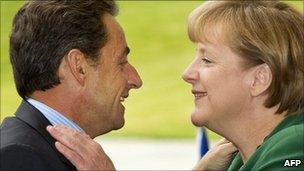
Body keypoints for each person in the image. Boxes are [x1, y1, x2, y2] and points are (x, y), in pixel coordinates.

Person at [46, 0, 304, 170]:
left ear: (259, 79)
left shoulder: (292, 151)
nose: (187, 73)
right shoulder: (240, 158)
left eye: (207, 59)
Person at [0, 0, 142, 170]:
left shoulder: (35, 149)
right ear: (79, 67)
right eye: (121, 62)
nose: (136, 80)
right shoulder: (19, 158)